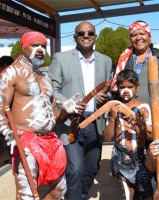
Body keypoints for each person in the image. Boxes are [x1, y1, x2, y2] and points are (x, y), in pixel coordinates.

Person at [0, 31, 81, 199]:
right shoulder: (11, 73)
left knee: (59, 191)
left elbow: (50, 114)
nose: (41, 49)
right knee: (26, 195)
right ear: (24, 47)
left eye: (43, 45)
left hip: (51, 141)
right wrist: (8, 133)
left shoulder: (45, 76)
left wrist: (65, 110)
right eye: (35, 45)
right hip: (26, 142)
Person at [48, 21, 112, 200]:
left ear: (95, 36)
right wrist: (66, 103)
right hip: (70, 124)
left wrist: (105, 98)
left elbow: (108, 90)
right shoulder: (60, 58)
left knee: (92, 168)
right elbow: (52, 90)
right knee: (75, 169)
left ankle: (80, 196)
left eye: (90, 32)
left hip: (94, 123)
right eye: (81, 33)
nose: (86, 36)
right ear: (75, 37)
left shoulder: (106, 61)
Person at [103, 69, 156, 200]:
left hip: (141, 155)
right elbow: (107, 138)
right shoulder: (113, 107)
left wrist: (139, 125)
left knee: (148, 191)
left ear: (137, 88)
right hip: (121, 155)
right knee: (128, 194)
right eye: (122, 87)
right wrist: (113, 118)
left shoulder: (144, 107)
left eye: (130, 87)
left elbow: (151, 136)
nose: (126, 90)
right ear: (117, 88)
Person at [113, 20, 159, 121]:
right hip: (131, 115)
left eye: (142, 33)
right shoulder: (125, 59)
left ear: (149, 36)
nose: (138, 37)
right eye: (134, 35)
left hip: (158, 116)